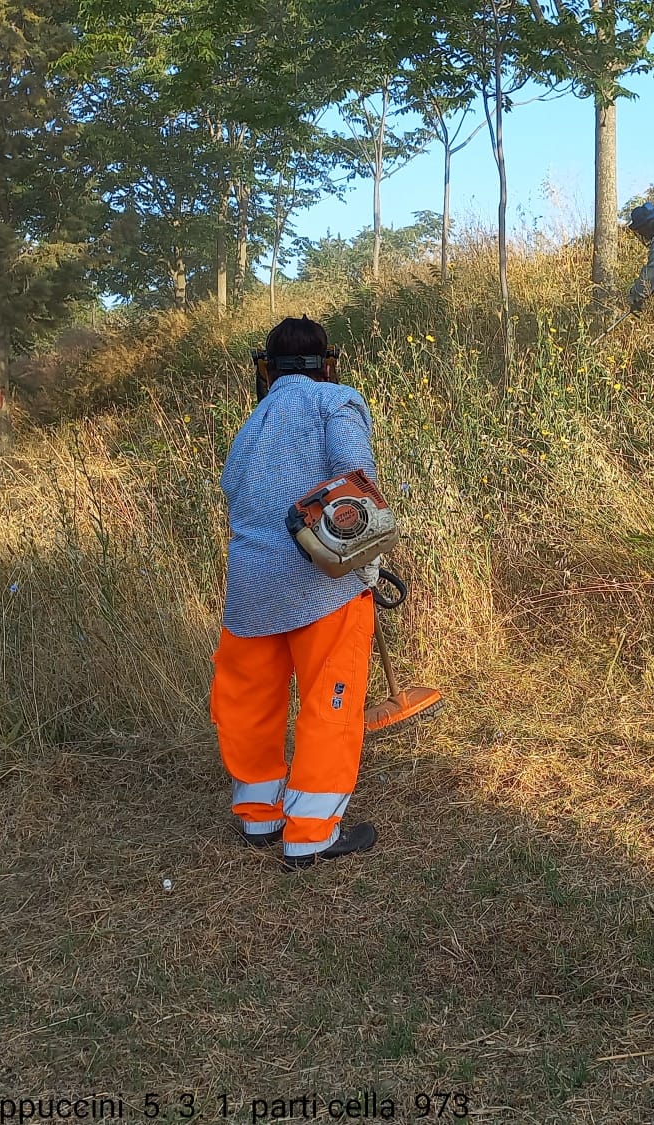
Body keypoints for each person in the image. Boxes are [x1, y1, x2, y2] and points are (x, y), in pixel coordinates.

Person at [211, 315, 381, 870]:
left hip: (251, 588)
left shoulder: (253, 422)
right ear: (325, 360)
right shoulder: (336, 401)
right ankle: (309, 832)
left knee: (249, 702)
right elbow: (356, 477)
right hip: (320, 587)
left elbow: (232, 489)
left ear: (269, 365)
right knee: (328, 702)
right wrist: (367, 555)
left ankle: (260, 814)